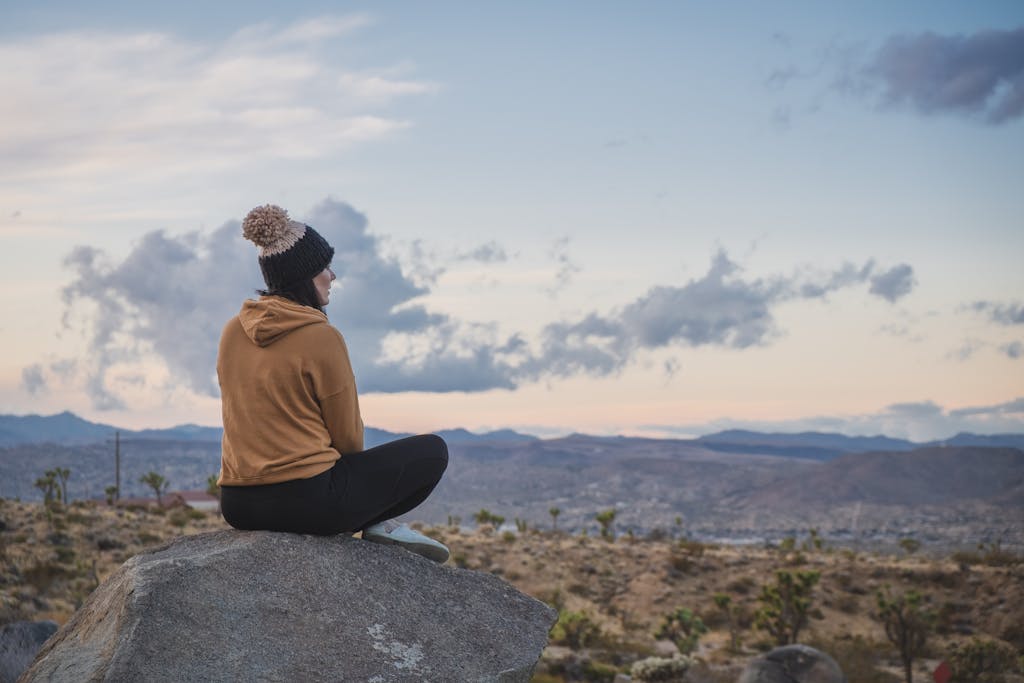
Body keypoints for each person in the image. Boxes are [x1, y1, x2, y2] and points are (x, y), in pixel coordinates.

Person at [216, 204, 450, 563]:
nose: (333, 275)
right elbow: (349, 440)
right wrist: (361, 495)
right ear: (305, 275)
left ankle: (376, 520)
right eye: (324, 267)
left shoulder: (233, 330)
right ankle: (377, 522)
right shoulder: (321, 336)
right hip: (307, 503)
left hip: (237, 504)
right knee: (433, 451)